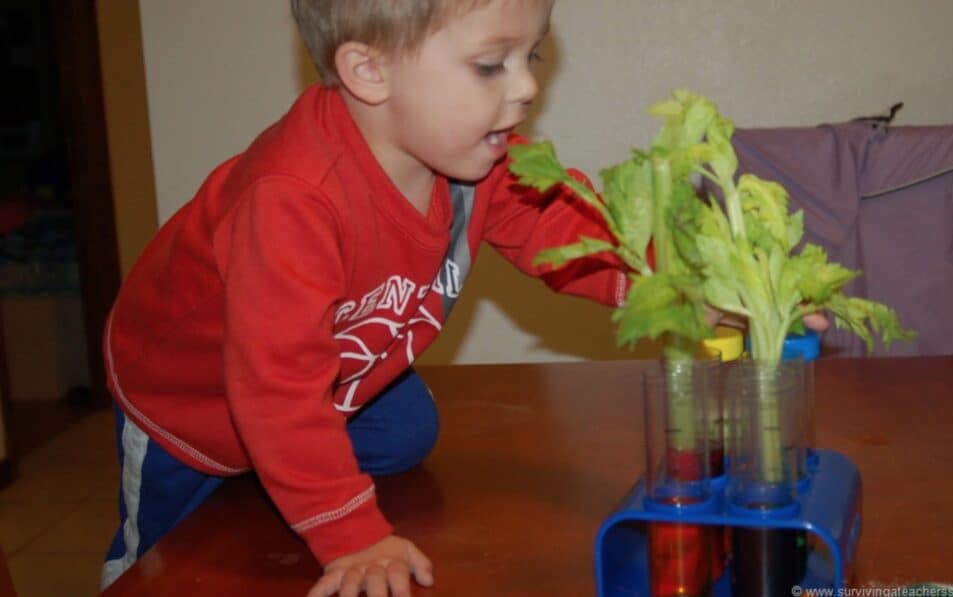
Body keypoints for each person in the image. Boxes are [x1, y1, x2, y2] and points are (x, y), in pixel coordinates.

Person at [101, 1, 628, 595]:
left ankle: (293, 464)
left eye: (529, 56)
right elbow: (277, 387)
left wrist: (669, 283)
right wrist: (350, 534)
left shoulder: (472, 157)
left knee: (405, 435)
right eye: (490, 65)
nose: (528, 85)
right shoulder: (290, 200)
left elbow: (557, 229)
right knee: (169, 569)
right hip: (192, 401)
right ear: (369, 72)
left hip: (323, 366)